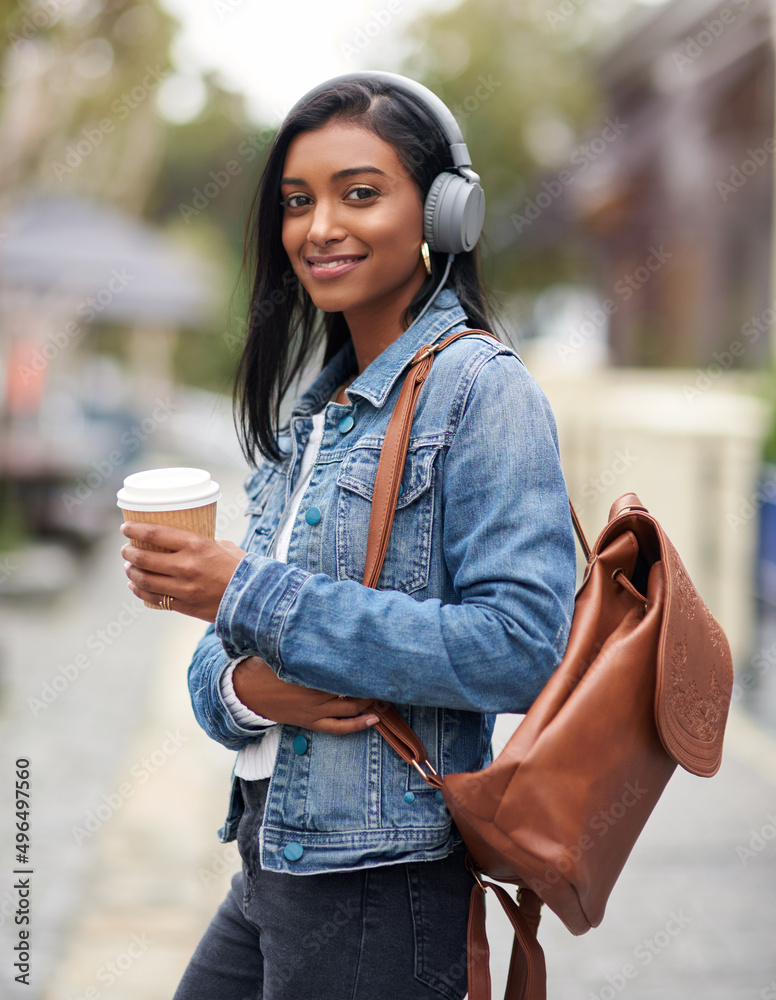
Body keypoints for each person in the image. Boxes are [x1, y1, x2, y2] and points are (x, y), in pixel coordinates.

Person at [120, 71, 576, 1000]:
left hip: (382, 884)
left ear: (446, 214)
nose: (319, 226)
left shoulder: (484, 393)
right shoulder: (320, 410)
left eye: (359, 193)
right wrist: (252, 687)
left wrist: (246, 593)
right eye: (298, 202)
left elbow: (525, 650)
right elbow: (218, 676)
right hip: (271, 860)